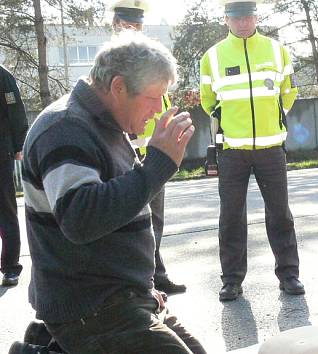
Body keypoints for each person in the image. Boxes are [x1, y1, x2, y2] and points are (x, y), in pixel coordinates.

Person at [15, 32, 205, 354]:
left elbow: (117, 210)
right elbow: (81, 218)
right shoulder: (64, 128)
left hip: (120, 295)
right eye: (154, 96)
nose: (159, 109)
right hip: (89, 306)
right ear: (118, 87)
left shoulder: (105, 124)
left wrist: (141, 287)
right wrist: (157, 166)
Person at [199, 0, 303, 301]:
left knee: (280, 214)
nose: (243, 22)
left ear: (256, 17)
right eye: (236, 18)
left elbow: (290, 90)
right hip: (232, 150)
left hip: (271, 148)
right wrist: (230, 123)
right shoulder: (213, 56)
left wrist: (275, 117)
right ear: (226, 20)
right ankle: (231, 280)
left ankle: (289, 275)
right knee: (231, 217)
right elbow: (208, 100)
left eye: (248, 16)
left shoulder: (276, 50)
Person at [111, 0, 186, 295]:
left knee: (155, 219)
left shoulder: (152, 63)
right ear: (116, 25)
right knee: (130, 223)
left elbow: (159, 106)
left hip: (151, 155)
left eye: (138, 25)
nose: (132, 29)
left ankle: (157, 274)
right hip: (123, 158)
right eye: (127, 23)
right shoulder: (111, 64)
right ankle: (139, 280)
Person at [0, 64, 28, 287]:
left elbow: (16, 110)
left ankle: (10, 267)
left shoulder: (3, 76)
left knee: (6, 210)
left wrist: (19, 143)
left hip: (1, 152)